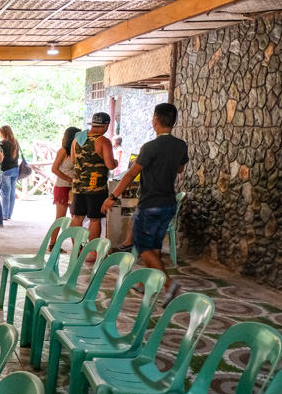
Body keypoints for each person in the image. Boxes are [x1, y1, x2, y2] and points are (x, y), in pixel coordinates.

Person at [102, 103, 188, 307]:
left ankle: (169, 285)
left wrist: (112, 197)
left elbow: (131, 174)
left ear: (155, 120)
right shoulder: (181, 145)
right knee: (155, 246)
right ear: (173, 122)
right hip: (168, 204)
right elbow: (180, 169)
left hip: (150, 203)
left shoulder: (149, 147)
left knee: (142, 245)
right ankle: (146, 281)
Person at [71, 112, 117, 257]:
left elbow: (74, 161)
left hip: (78, 186)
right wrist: (115, 162)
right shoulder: (103, 141)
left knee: (77, 217)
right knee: (95, 219)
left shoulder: (76, 140)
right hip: (95, 187)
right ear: (105, 125)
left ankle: (76, 249)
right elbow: (110, 165)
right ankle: (91, 253)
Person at [49, 126, 81, 251]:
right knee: (60, 218)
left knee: (75, 217)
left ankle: (77, 246)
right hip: (62, 186)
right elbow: (54, 169)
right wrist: (69, 179)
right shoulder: (62, 151)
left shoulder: (78, 150)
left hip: (74, 188)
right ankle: (52, 244)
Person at [0, 125, 21, 220]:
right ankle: (9, 214)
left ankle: (4, 215)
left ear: (3, 133)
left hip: (6, 170)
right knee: (12, 193)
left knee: (5, 193)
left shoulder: (2, 143)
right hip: (15, 169)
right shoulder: (15, 142)